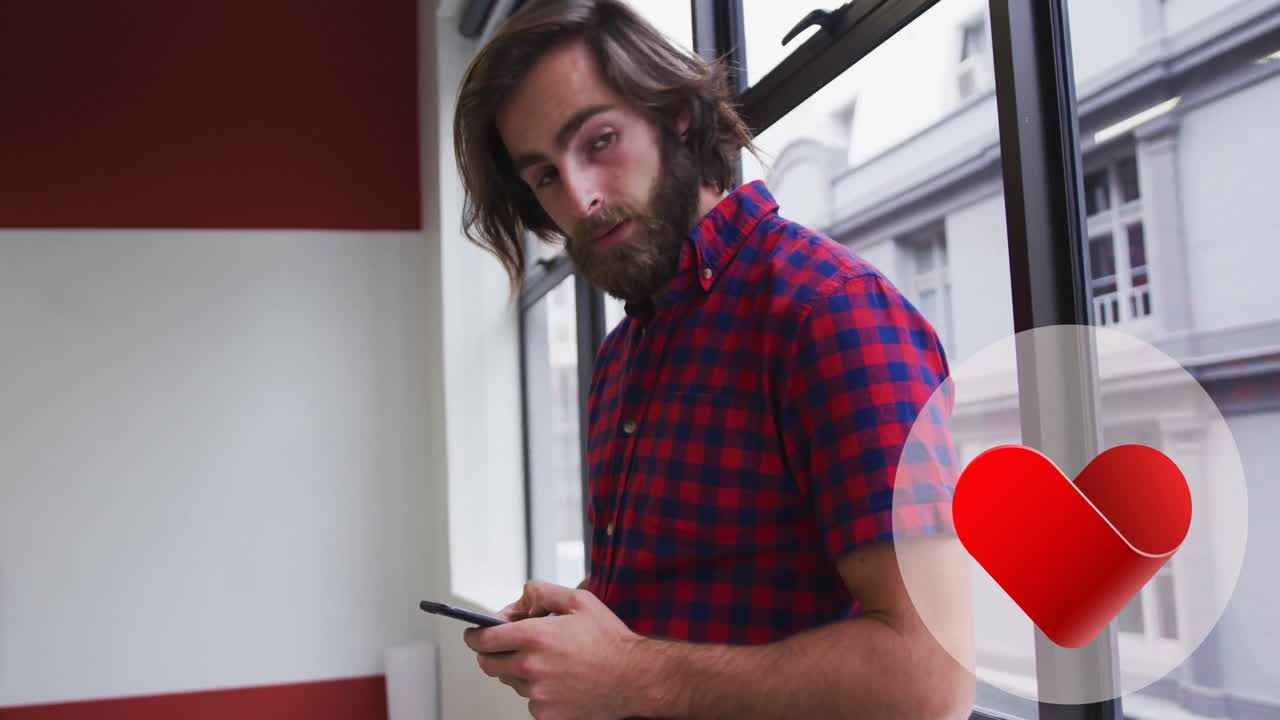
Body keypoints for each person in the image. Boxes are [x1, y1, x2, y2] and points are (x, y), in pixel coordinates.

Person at [452, 1, 974, 718]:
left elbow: (930, 681)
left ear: (677, 118)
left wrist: (632, 671)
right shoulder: (623, 355)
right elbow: (682, 612)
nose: (582, 196)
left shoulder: (829, 313)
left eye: (599, 139)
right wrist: (584, 631)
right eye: (544, 175)